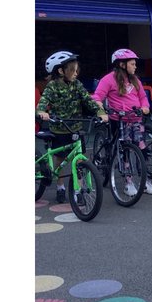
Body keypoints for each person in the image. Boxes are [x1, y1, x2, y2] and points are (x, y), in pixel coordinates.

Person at [37, 51, 109, 204]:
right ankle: (60, 186)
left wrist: (100, 112)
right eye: (72, 70)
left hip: (76, 127)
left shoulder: (77, 84)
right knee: (60, 159)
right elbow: (43, 102)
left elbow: (88, 100)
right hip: (59, 128)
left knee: (78, 160)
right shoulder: (52, 86)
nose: (76, 73)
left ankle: (79, 189)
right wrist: (42, 112)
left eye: (77, 70)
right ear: (61, 71)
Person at [93, 49, 152, 196]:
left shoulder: (135, 80)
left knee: (142, 150)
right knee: (125, 151)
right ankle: (128, 183)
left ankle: (145, 181)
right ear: (122, 65)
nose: (135, 66)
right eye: (132, 64)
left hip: (135, 120)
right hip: (119, 121)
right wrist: (102, 111)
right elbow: (97, 97)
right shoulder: (108, 79)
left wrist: (145, 107)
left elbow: (143, 97)